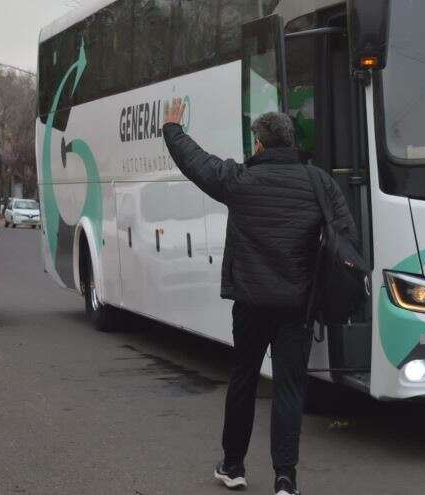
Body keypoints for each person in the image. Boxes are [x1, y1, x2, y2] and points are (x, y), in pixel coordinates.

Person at [162, 99, 355, 495]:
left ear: (261, 146)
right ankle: (285, 478)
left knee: (244, 381)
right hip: (297, 307)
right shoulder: (318, 182)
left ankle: (233, 466)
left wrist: (172, 129)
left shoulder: (240, 181)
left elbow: (197, 163)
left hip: (250, 305)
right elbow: (346, 236)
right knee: (289, 388)